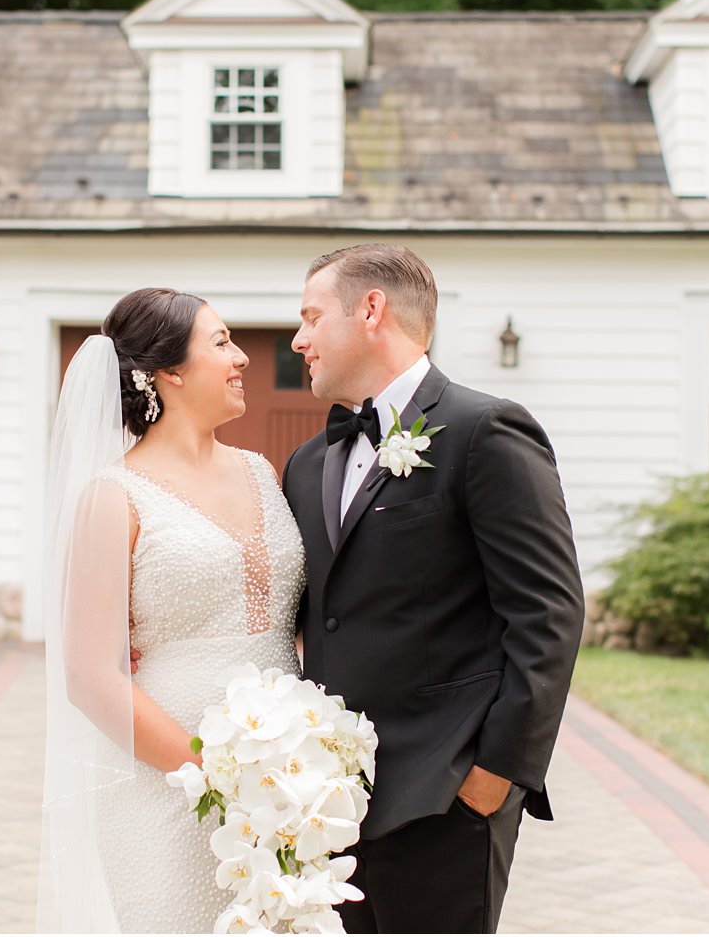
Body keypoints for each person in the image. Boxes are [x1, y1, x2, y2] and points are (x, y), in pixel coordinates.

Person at [282, 244, 585, 934]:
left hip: (447, 796)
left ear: (371, 309)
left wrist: (495, 777)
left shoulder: (487, 431)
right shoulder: (307, 464)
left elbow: (548, 614)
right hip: (331, 802)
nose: (298, 339)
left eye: (309, 316)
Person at [36, 287, 306, 933]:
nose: (241, 357)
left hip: (288, 776)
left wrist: (285, 772)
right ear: (169, 372)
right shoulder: (112, 496)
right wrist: (213, 778)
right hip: (168, 785)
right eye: (221, 342)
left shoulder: (263, 471)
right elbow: (91, 677)